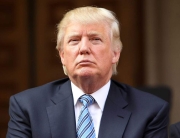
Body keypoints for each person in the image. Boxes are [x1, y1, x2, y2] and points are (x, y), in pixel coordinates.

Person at [7, 6, 169, 138]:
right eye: (74, 40)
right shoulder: (28, 106)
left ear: (115, 53)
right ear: (62, 55)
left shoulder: (150, 110)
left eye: (95, 39)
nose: (84, 48)